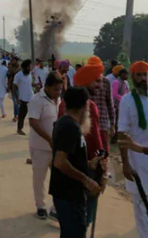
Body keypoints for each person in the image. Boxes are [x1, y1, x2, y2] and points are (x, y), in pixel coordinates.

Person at [49, 87, 104, 238]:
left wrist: (90, 164)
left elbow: (69, 158)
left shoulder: (67, 124)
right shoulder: (69, 127)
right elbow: (59, 162)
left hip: (69, 193)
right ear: (86, 105)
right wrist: (86, 180)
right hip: (68, 194)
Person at [118, 61, 148, 238]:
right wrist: (125, 164)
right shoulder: (127, 101)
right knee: (142, 210)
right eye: (138, 75)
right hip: (138, 165)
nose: (142, 79)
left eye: (145, 75)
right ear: (132, 77)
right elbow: (122, 134)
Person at [28, 72, 63, 219]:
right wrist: (49, 138)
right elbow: (33, 122)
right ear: (47, 87)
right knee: (39, 178)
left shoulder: (59, 100)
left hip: (57, 148)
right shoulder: (37, 100)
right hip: (40, 147)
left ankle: (56, 208)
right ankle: (41, 206)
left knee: (58, 179)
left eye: (60, 89)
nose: (58, 92)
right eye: (55, 89)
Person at [86, 57, 116, 152]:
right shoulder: (85, 81)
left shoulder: (106, 82)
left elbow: (110, 104)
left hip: (102, 122)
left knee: (103, 151)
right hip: (87, 122)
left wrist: (112, 124)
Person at [12, 59, 35, 135]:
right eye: (30, 66)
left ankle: (34, 129)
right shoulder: (18, 75)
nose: (31, 67)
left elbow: (29, 85)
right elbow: (14, 87)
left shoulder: (30, 74)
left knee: (33, 114)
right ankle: (19, 129)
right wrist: (16, 98)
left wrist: (36, 86)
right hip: (23, 98)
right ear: (27, 67)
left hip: (31, 97)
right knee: (22, 115)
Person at [7, 57, 21, 121]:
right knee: (15, 102)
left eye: (13, 60)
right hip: (12, 87)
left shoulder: (19, 68)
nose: (12, 61)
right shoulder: (10, 67)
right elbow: (8, 75)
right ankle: (16, 115)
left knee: (16, 102)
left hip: (18, 86)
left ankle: (17, 115)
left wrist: (10, 68)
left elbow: (15, 71)